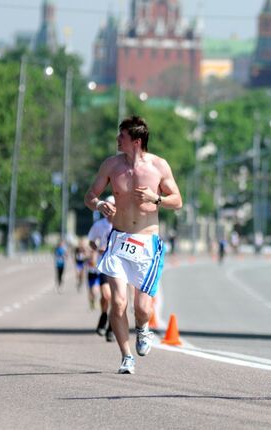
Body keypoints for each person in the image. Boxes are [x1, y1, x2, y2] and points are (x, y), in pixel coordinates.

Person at [84, 116, 183, 374]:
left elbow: (178, 200)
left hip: (146, 243)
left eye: (122, 137)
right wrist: (99, 204)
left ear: (136, 141)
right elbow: (89, 195)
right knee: (117, 303)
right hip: (118, 239)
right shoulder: (112, 165)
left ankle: (142, 328)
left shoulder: (158, 166)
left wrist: (156, 198)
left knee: (142, 308)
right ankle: (126, 356)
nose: (117, 140)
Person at [87, 195, 115, 340]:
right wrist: (98, 248)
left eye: (113, 206)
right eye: (108, 206)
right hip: (104, 265)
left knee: (117, 300)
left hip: (119, 266)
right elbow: (91, 241)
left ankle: (111, 327)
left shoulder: (123, 223)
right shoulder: (99, 225)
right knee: (106, 296)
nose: (109, 209)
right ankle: (104, 315)